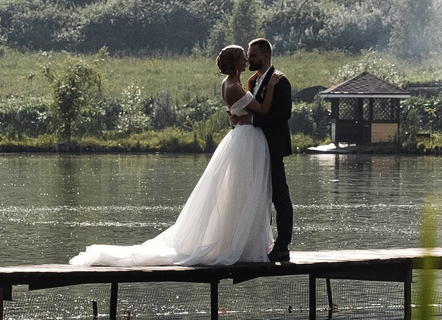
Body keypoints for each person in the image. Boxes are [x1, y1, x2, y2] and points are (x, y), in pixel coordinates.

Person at [69, 46, 276, 267]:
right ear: (235, 63)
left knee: (239, 192)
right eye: (243, 58)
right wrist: (272, 85)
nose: (246, 61)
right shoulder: (233, 86)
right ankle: (235, 243)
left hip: (243, 138)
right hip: (245, 140)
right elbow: (262, 110)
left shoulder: (231, 84)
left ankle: (238, 241)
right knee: (241, 190)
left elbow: (240, 110)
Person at [245, 38, 294, 263]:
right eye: (248, 55)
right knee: (259, 196)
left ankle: (282, 246)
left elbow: (284, 113)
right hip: (255, 147)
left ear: (266, 56)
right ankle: (262, 242)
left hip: (273, 147)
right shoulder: (253, 80)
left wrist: (254, 120)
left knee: (279, 197)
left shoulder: (280, 81)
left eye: (252, 56)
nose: (248, 59)